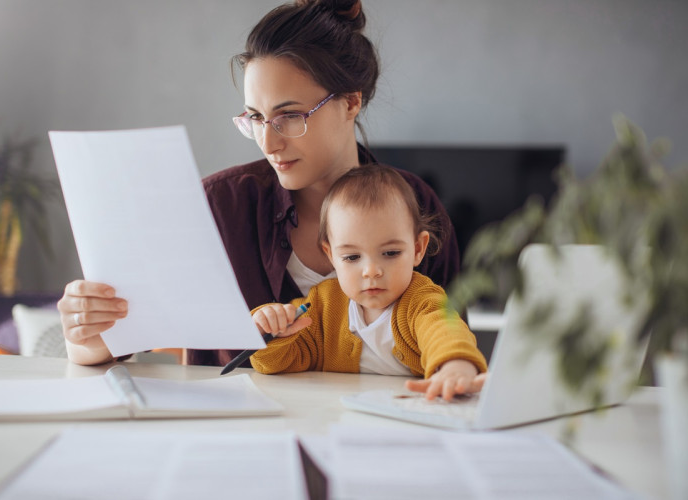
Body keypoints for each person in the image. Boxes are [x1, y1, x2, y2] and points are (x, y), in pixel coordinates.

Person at [58, 0, 462, 367]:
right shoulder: (217, 206)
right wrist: (86, 333)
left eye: (289, 116)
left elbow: (450, 340)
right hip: (239, 439)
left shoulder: (415, 203)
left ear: (351, 101)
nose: (269, 142)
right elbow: (112, 344)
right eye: (255, 118)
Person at [250, 164, 487, 400]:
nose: (371, 271)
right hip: (340, 421)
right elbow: (275, 364)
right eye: (352, 257)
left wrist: (455, 367)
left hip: (408, 419)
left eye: (390, 253)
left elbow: (445, 333)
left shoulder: (422, 301)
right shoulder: (322, 305)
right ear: (331, 255)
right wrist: (271, 329)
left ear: (417, 249)